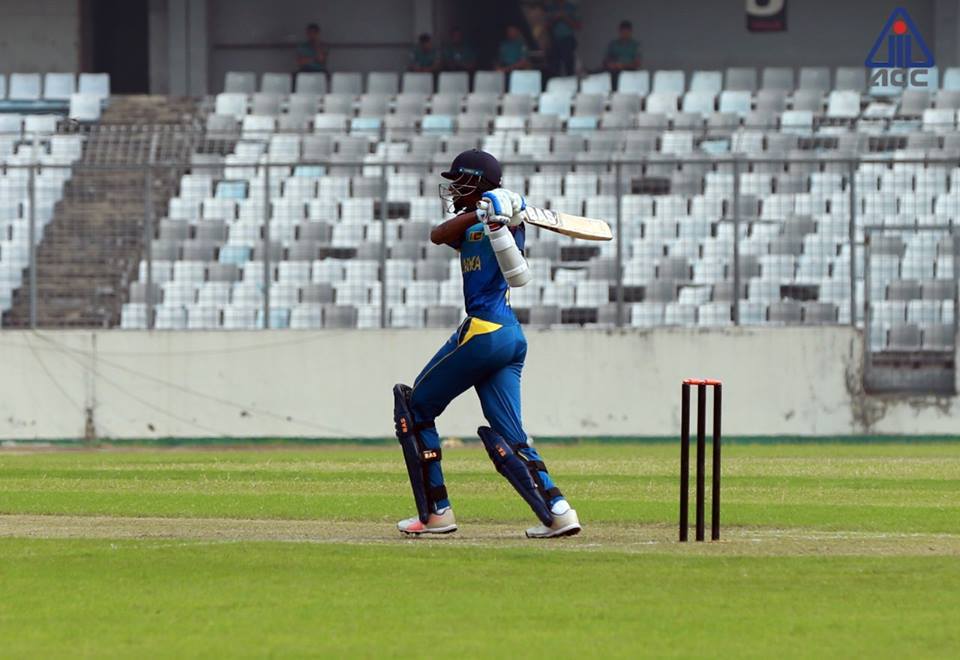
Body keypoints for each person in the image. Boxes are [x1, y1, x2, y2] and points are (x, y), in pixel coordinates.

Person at [393, 149, 581, 539]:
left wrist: (506, 211)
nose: (451, 190)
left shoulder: (507, 223)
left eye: (458, 182)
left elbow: (517, 270)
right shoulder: (469, 226)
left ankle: (436, 513)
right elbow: (438, 235)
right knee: (511, 434)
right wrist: (478, 213)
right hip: (509, 337)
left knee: (415, 407)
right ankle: (558, 511)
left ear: (476, 183)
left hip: (485, 331)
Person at [546, 0, 581, 77]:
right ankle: (555, 83)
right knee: (554, 68)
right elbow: (546, 26)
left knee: (569, 67)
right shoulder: (550, 8)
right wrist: (555, 18)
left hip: (568, 40)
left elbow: (578, 26)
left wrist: (564, 17)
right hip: (554, 41)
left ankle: (571, 82)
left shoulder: (571, 7)